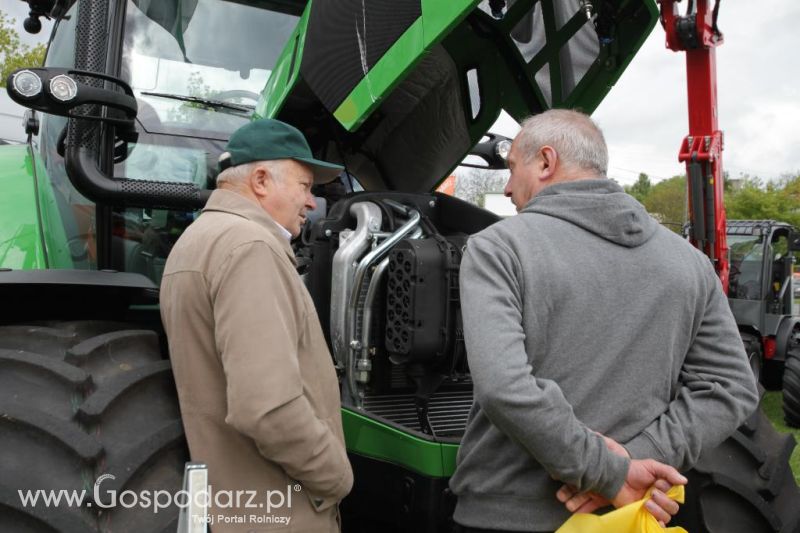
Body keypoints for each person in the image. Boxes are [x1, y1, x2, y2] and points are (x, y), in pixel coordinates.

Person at [449, 109, 759, 533]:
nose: (506, 188)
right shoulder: (690, 263)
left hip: (508, 517)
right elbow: (731, 387)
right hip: (631, 519)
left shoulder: (498, 248)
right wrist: (635, 462)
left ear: (545, 161)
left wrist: (610, 472)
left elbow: (505, 388)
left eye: (511, 168)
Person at [160, 119, 353, 532]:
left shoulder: (197, 240)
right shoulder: (250, 247)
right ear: (261, 180)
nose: (311, 202)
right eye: (304, 185)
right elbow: (268, 408)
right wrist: (335, 478)